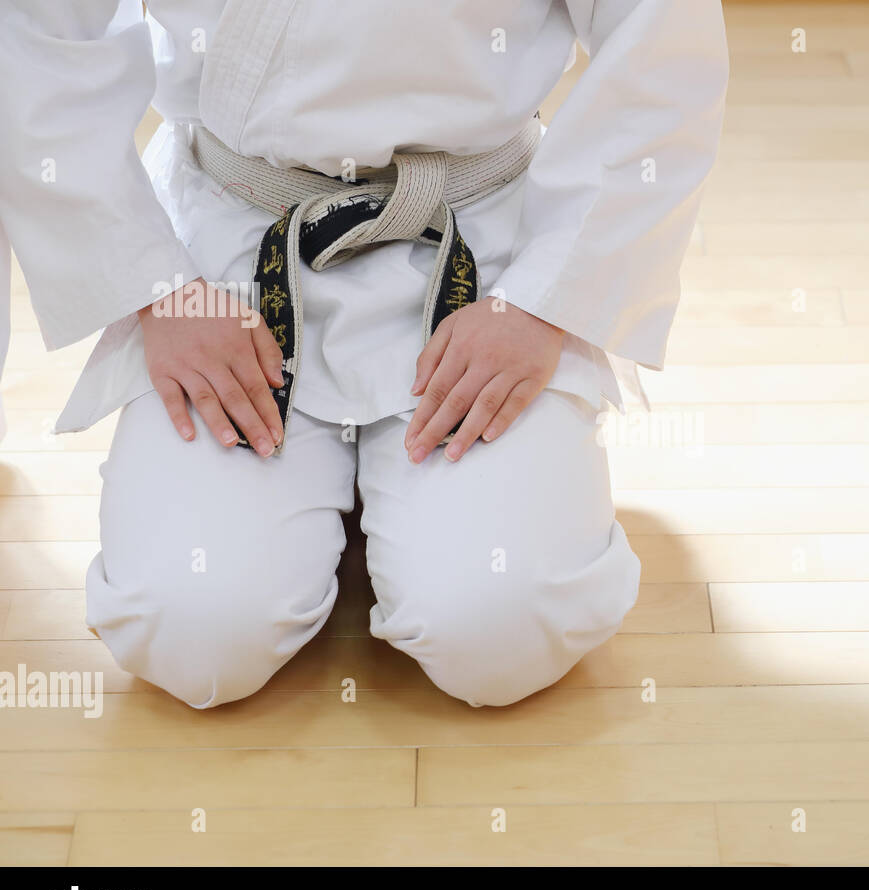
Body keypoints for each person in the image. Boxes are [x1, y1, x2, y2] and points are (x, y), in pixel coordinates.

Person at [0, 0, 728, 709]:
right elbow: (37, 38)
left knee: (501, 629)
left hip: (484, 246)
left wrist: (543, 303)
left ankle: (394, 505)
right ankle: (350, 505)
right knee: (190, 631)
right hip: (229, 247)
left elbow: (661, 47)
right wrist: (159, 289)